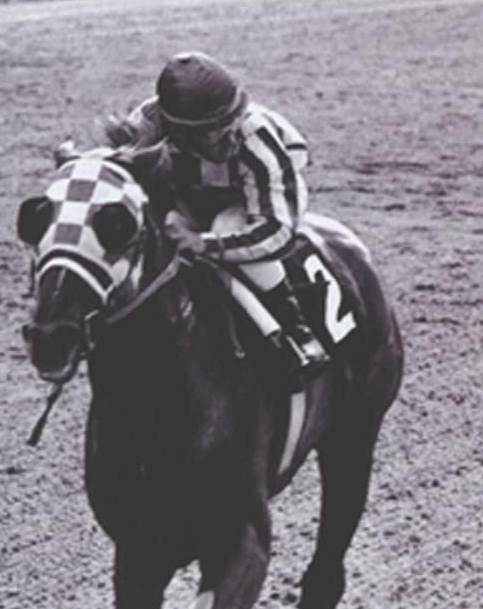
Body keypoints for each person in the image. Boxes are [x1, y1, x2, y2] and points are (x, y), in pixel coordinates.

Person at [105, 51, 330, 378]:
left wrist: (206, 244)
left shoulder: (257, 139)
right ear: (179, 130)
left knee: (225, 224)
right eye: (214, 128)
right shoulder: (147, 127)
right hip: (189, 187)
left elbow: (275, 231)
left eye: (232, 118)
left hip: (252, 193)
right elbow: (117, 177)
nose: (230, 133)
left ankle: (296, 329)